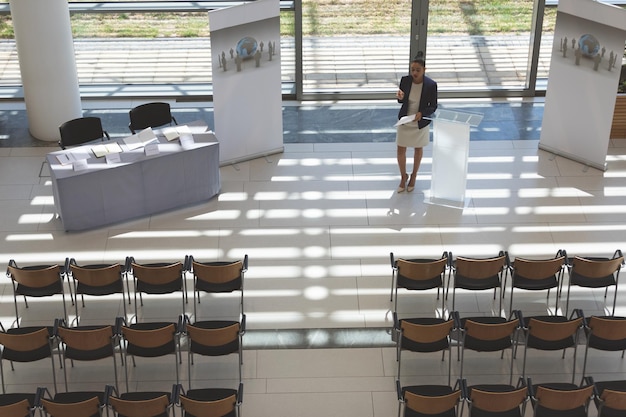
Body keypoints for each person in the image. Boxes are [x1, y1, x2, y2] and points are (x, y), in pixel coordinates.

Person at [395, 54, 437, 193]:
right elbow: (402, 101)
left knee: (418, 149)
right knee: (401, 149)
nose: (414, 73)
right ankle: (403, 176)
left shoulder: (431, 85)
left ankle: (413, 176)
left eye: (418, 70)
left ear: (424, 69)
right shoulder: (405, 81)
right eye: (412, 69)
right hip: (405, 119)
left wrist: (422, 113)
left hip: (420, 121)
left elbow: (433, 106)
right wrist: (400, 97)